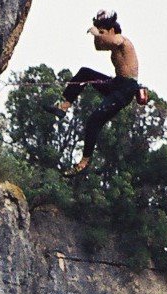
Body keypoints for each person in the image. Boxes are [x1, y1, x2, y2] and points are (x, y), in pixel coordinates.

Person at [57, 11, 149, 173]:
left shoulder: (122, 40)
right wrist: (97, 33)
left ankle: (84, 162)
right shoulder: (112, 43)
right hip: (116, 83)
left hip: (126, 89)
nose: (100, 34)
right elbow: (99, 46)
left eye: (103, 31)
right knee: (85, 73)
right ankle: (63, 106)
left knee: (94, 120)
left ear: (112, 30)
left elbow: (111, 40)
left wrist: (96, 32)